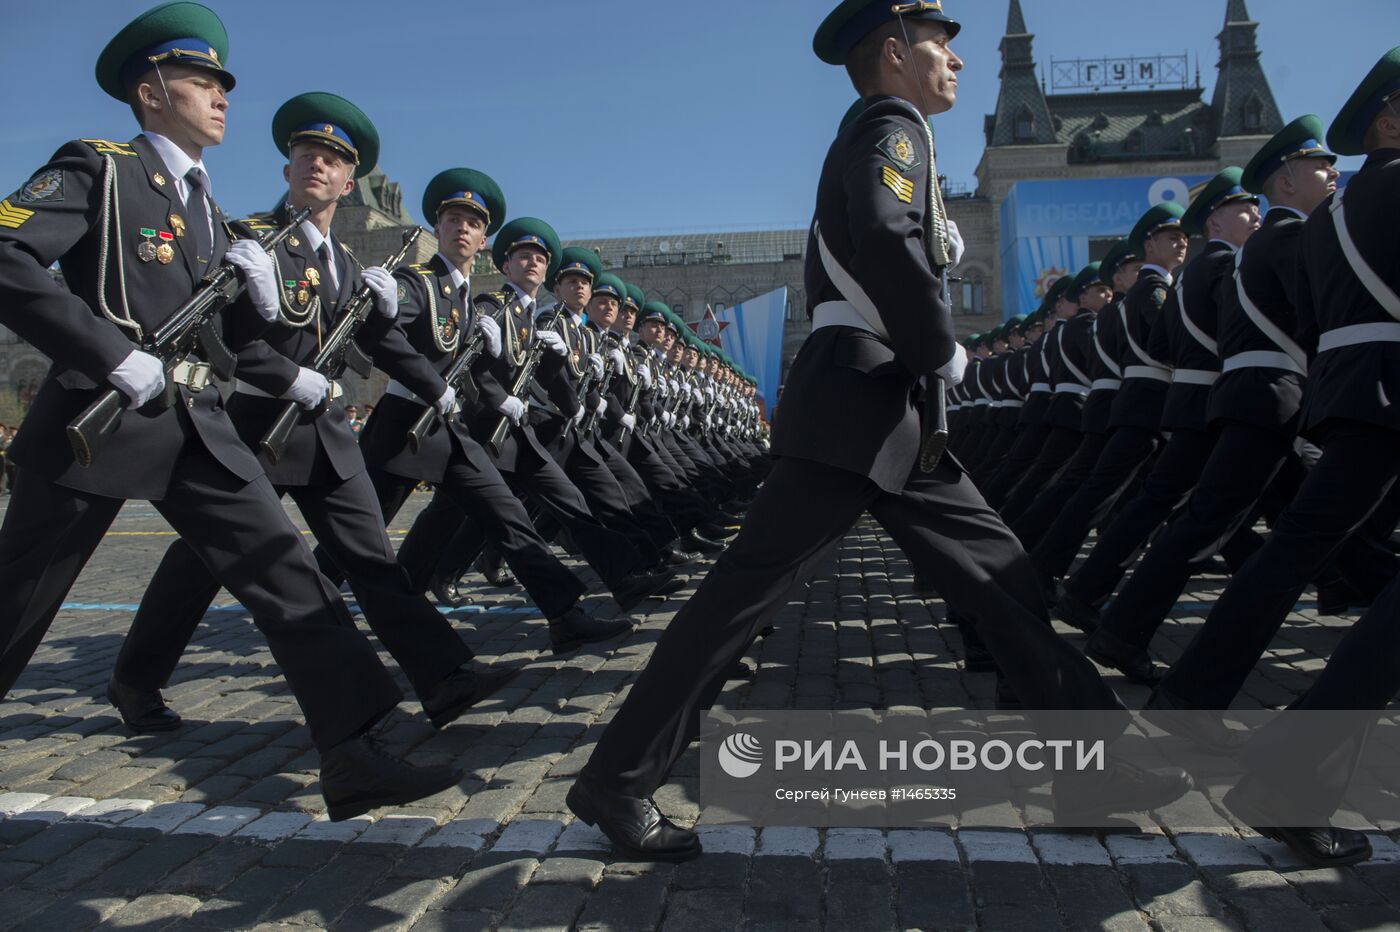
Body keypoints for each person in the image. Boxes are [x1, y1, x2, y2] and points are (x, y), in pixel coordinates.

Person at [565, 0, 1189, 862]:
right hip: (864, 397)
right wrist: (943, 351)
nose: (955, 62)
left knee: (1001, 574)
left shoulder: (899, 132)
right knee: (738, 601)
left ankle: (1096, 767)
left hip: (885, 403)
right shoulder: (892, 128)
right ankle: (615, 782)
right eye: (940, 44)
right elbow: (890, 240)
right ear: (895, 54)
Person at [0, 2, 459, 821]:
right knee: (19, 600)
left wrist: (263, 308)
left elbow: (236, 341)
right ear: (149, 93)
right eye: (200, 79)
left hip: (190, 420)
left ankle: (351, 747)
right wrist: (106, 352)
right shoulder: (99, 171)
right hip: (96, 422)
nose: (220, 96)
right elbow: (6, 252)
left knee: (282, 561)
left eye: (222, 83)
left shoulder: (212, 214)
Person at [109, 91, 513, 734]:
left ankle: (442, 676)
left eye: (330, 159)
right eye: (304, 154)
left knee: (371, 556)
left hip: (324, 434)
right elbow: (221, 339)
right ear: (286, 169)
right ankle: (135, 679)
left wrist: (434, 385)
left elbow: (380, 342)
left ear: (349, 181)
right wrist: (287, 376)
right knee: (201, 562)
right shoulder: (249, 241)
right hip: (254, 425)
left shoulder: (348, 265)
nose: (315, 165)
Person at [1151, 46, 1400, 726]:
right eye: (1315, 163)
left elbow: (1312, 316)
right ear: (1390, 120)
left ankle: (1193, 687)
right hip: (1374, 387)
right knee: (1257, 534)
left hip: (1346, 388)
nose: (1328, 170)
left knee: (1290, 547)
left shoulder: (1331, 219)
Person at [339, 170, 637, 652]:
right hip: (401, 425)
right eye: (453, 219)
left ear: (482, 239)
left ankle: (564, 612)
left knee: (504, 514)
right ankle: (319, 611)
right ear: (438, 228)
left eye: (473, 223)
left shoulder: (464, 295)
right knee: (352, 539)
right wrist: (426, 368)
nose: (462, 228)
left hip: (445, 427)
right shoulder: (420, 283)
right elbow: (380, 336)